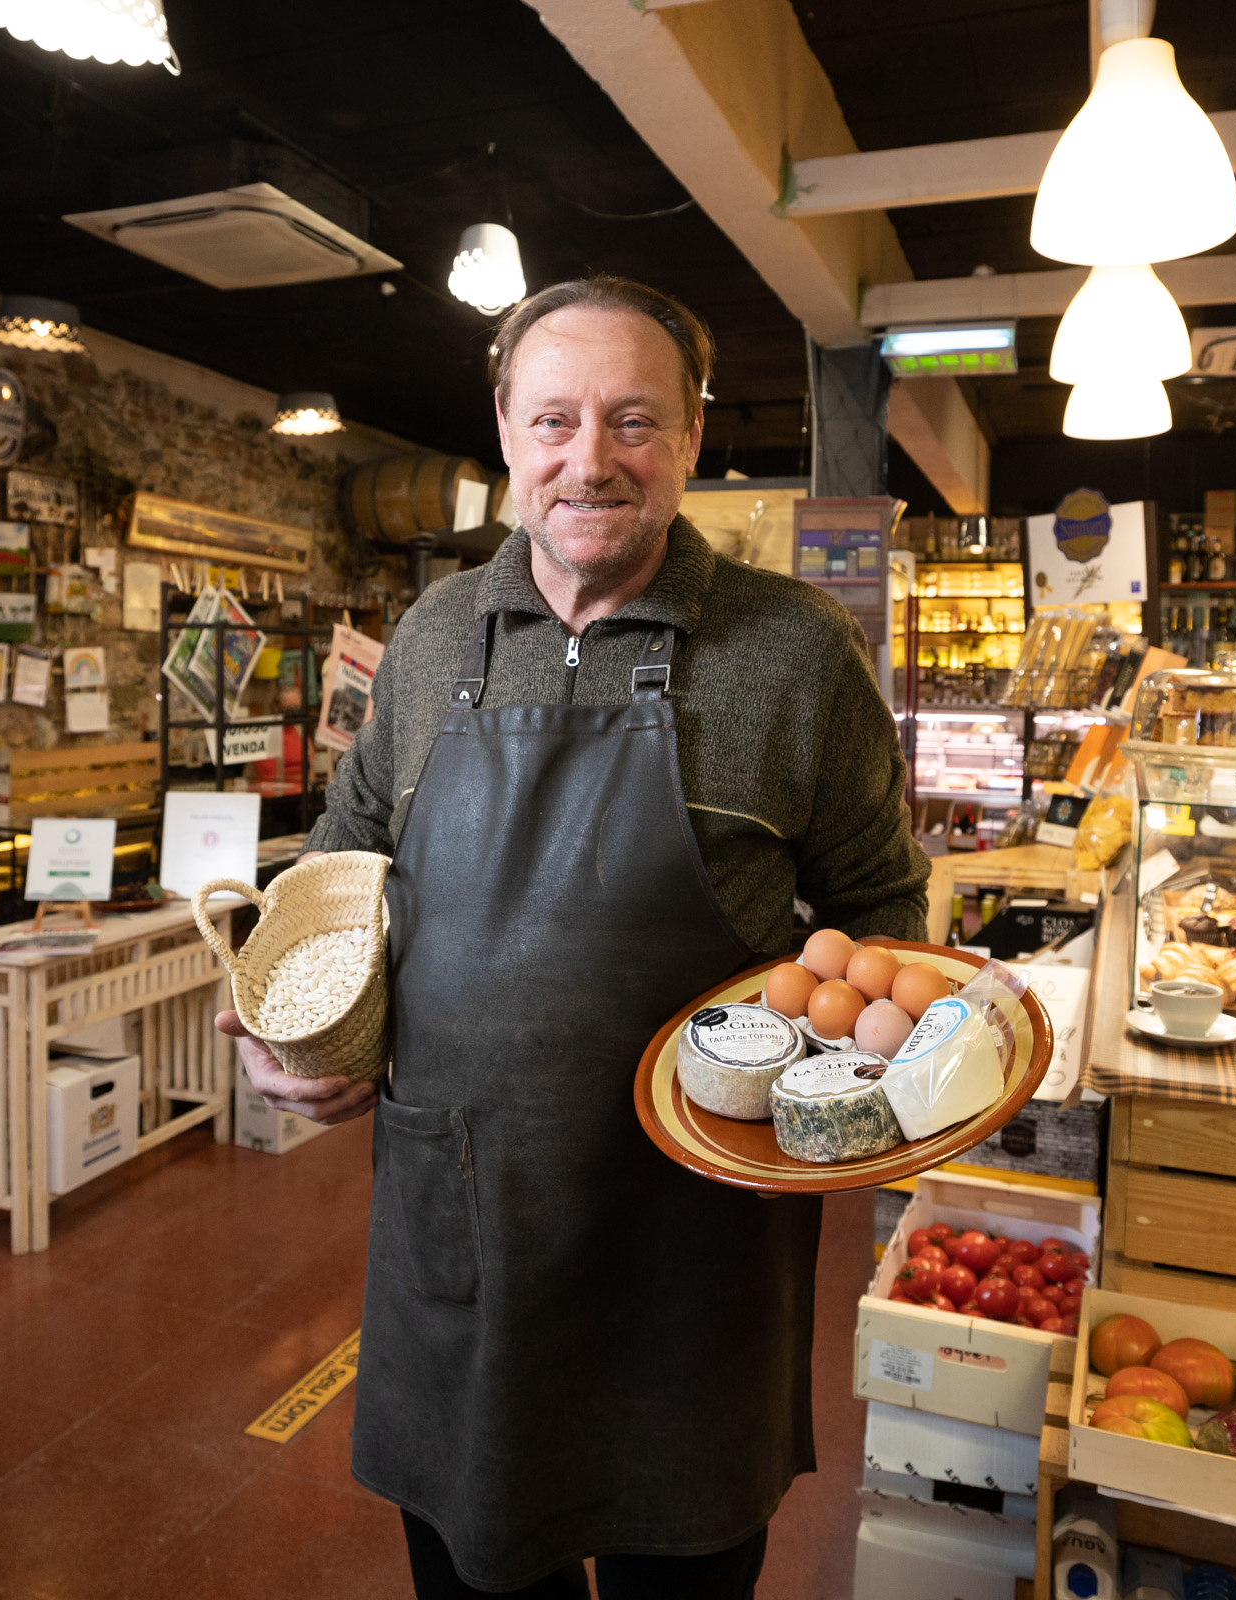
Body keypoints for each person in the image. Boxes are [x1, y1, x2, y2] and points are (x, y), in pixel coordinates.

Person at [216, 276, 927, 1597]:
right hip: (464, 1226)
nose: (589, 459)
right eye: (554, 420)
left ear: (693, 438)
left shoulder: (793, 652)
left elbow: (884, 910)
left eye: (633, 420)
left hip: (696, 1249)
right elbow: (341, 863)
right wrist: (295, 1024)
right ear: (504, 430)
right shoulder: (432, 639)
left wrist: (832, 1093)